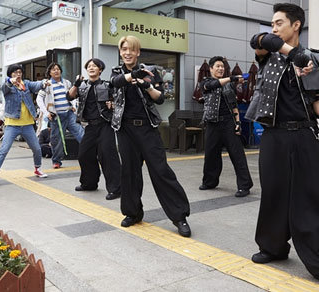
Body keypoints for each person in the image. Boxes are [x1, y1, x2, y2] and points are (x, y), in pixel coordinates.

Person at [246, 4, 319, 292]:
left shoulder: (314, 60)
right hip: (272, 136)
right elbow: (258, 41)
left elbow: (315, 98)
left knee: (311, 198)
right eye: (272, 22)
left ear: (297, 25)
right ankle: (273, 247)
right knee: (274, 194)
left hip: (303, 135)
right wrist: (291, 53)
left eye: (279, 22)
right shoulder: (268, 55)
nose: (274, 27)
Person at [110, 35, 191, 237]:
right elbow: (115, 83)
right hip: (125, 130)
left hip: (147, 128)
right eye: (124, 49)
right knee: (129, 172)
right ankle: (133, 213)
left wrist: (146, 85)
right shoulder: (117, 72)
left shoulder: (150, 71)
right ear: (120, 52)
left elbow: (160, 98)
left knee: (161, 170)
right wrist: (131, 77)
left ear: (138, 52)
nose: (127, 53)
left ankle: (180, 216)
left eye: (131, 49)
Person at [198, 56, 254, 197]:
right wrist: (232, 78)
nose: (220, 69)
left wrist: (238, 123)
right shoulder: (205, 82)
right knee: (211, 155)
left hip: (228, 123)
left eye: (222, 67)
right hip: (212, 123)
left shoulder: (229, 85)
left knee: (237, 154)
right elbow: (212, 85)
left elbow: (234, 106)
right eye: (217, 66)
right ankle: (209, 182)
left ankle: (244, 186)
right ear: (211, 69)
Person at [0, 64, 51, 187]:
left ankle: (37, 168)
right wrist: (10, 81)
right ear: (10, 74)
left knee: (37, 149)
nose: (18, 74)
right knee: (4, 150)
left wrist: (44, 82)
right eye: (15, 72)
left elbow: (36, 85)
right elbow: (4, 87)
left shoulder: (26, 84)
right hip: (12, 124)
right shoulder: (8, 85)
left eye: (20, 72)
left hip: (27, 124)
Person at [68, 58, 121, 200]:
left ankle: (116, 189)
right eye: (89, 66)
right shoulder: (82, 86)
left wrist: (113, 105)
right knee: (84, 154)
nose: (91, 68)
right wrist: (76, 83)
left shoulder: (107, 85)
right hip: (90, 126)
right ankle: (89, 183)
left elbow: (119, 101)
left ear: (100, 70)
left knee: (107, 156)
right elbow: (70, 96)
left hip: (105, 124)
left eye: (94, 66)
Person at [37, 63, 83, 168]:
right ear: (49, 72)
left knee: (81, 133)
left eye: (58, 69)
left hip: (69, 114)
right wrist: (46, 112)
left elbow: (74, 94)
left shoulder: (66, 82)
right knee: (56, 139)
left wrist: (74, 105)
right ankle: (56, 161)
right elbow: (39, 99)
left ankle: (92, 155)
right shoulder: (46, 84)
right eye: (53, 70)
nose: (56, 71)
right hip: (56, 117)